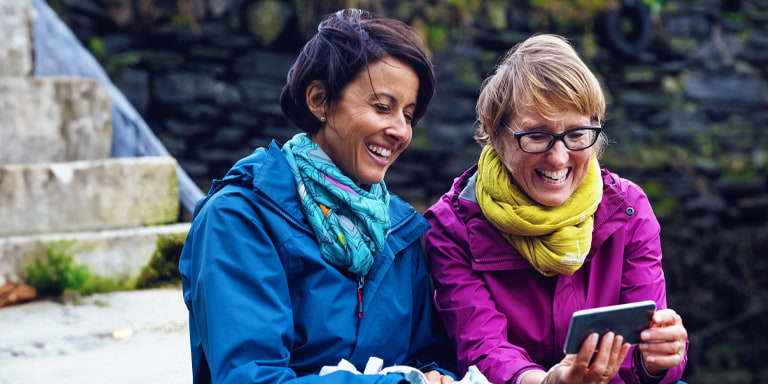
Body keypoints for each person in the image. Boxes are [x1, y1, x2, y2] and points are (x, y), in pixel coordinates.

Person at [179, 9, 457, 384]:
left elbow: (429, 357)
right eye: (381, 107)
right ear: (319, 101)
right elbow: (251, 377)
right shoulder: (239, 218)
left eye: (408, 115)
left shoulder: (400, 229)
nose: (400, 131)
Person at [423, 34, 689, 384]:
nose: (559, 157)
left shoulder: (628, 210)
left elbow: (642, 352)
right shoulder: (451, 228)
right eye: (536, 136)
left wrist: (659, 358)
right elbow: (482, 349)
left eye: (577, 134)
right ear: (495, 135)